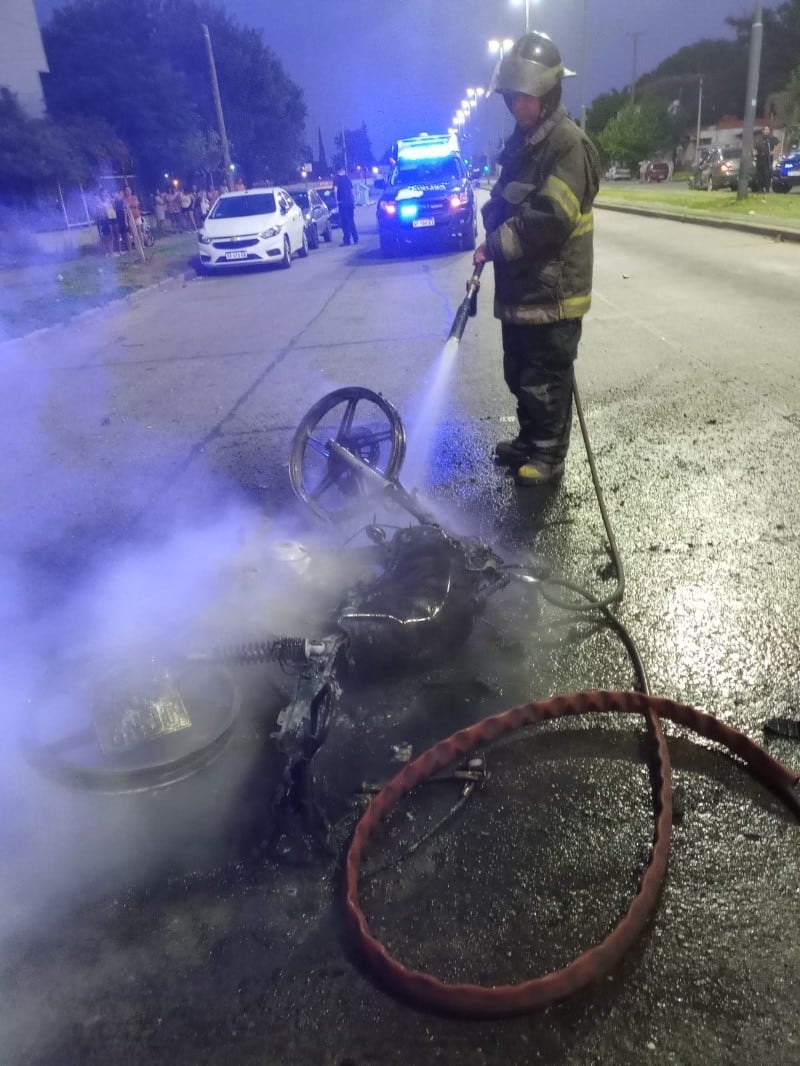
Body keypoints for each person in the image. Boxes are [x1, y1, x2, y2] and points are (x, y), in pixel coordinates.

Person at [472, 31, 602, 487]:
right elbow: (506, 199)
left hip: (553, 291)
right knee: (519, 371)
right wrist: (491, 221)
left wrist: (496, 243)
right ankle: (530, 440)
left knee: (545, 377)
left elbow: (550, 217)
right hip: (523, 290)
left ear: (546, 95)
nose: (515, 106)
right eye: (510, 98)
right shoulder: (523, 142)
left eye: (521, 98)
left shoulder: (568, 145)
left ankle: (548, 456)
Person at [333, 166, 358, 246]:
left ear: (337, 171)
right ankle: (355, 238)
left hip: (342, 203)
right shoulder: (347, 179)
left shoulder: (336, 179)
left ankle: (347, 240)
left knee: (345, 222)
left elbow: (335, 190)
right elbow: (352, 190)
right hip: (350, 203)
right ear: (343, 170)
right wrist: (354, 200)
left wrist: (336, 200)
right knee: (351, 220)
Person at [754, 125, 778, 193]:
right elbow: (754, 148)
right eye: (766, 129)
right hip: (760, 160)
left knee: (767, 175)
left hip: (768, 160)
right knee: (760, 175)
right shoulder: (759, 140)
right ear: (763, 131)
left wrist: (774, 151)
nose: (767, 131)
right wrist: (754, 152)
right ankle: (761, 189)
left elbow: (778, 144)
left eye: (768, 129)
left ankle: (767, 189)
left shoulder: (772, 138)